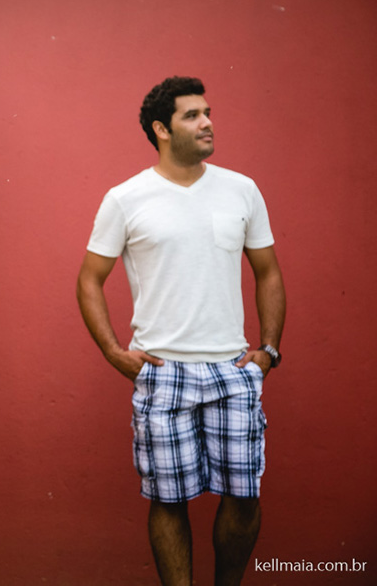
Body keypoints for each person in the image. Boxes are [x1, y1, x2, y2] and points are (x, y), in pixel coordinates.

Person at [76, 76, 286, 586]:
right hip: (162, 370)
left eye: (207, 112)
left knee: (245, 494)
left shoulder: (241, 189)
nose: (207, 122)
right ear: (161, 129)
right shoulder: (126, 198)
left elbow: (268, 272)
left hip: (232, 367)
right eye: (192, 115)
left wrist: (268, 350)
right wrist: (113, 351)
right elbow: (89, 279)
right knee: (168, 499)